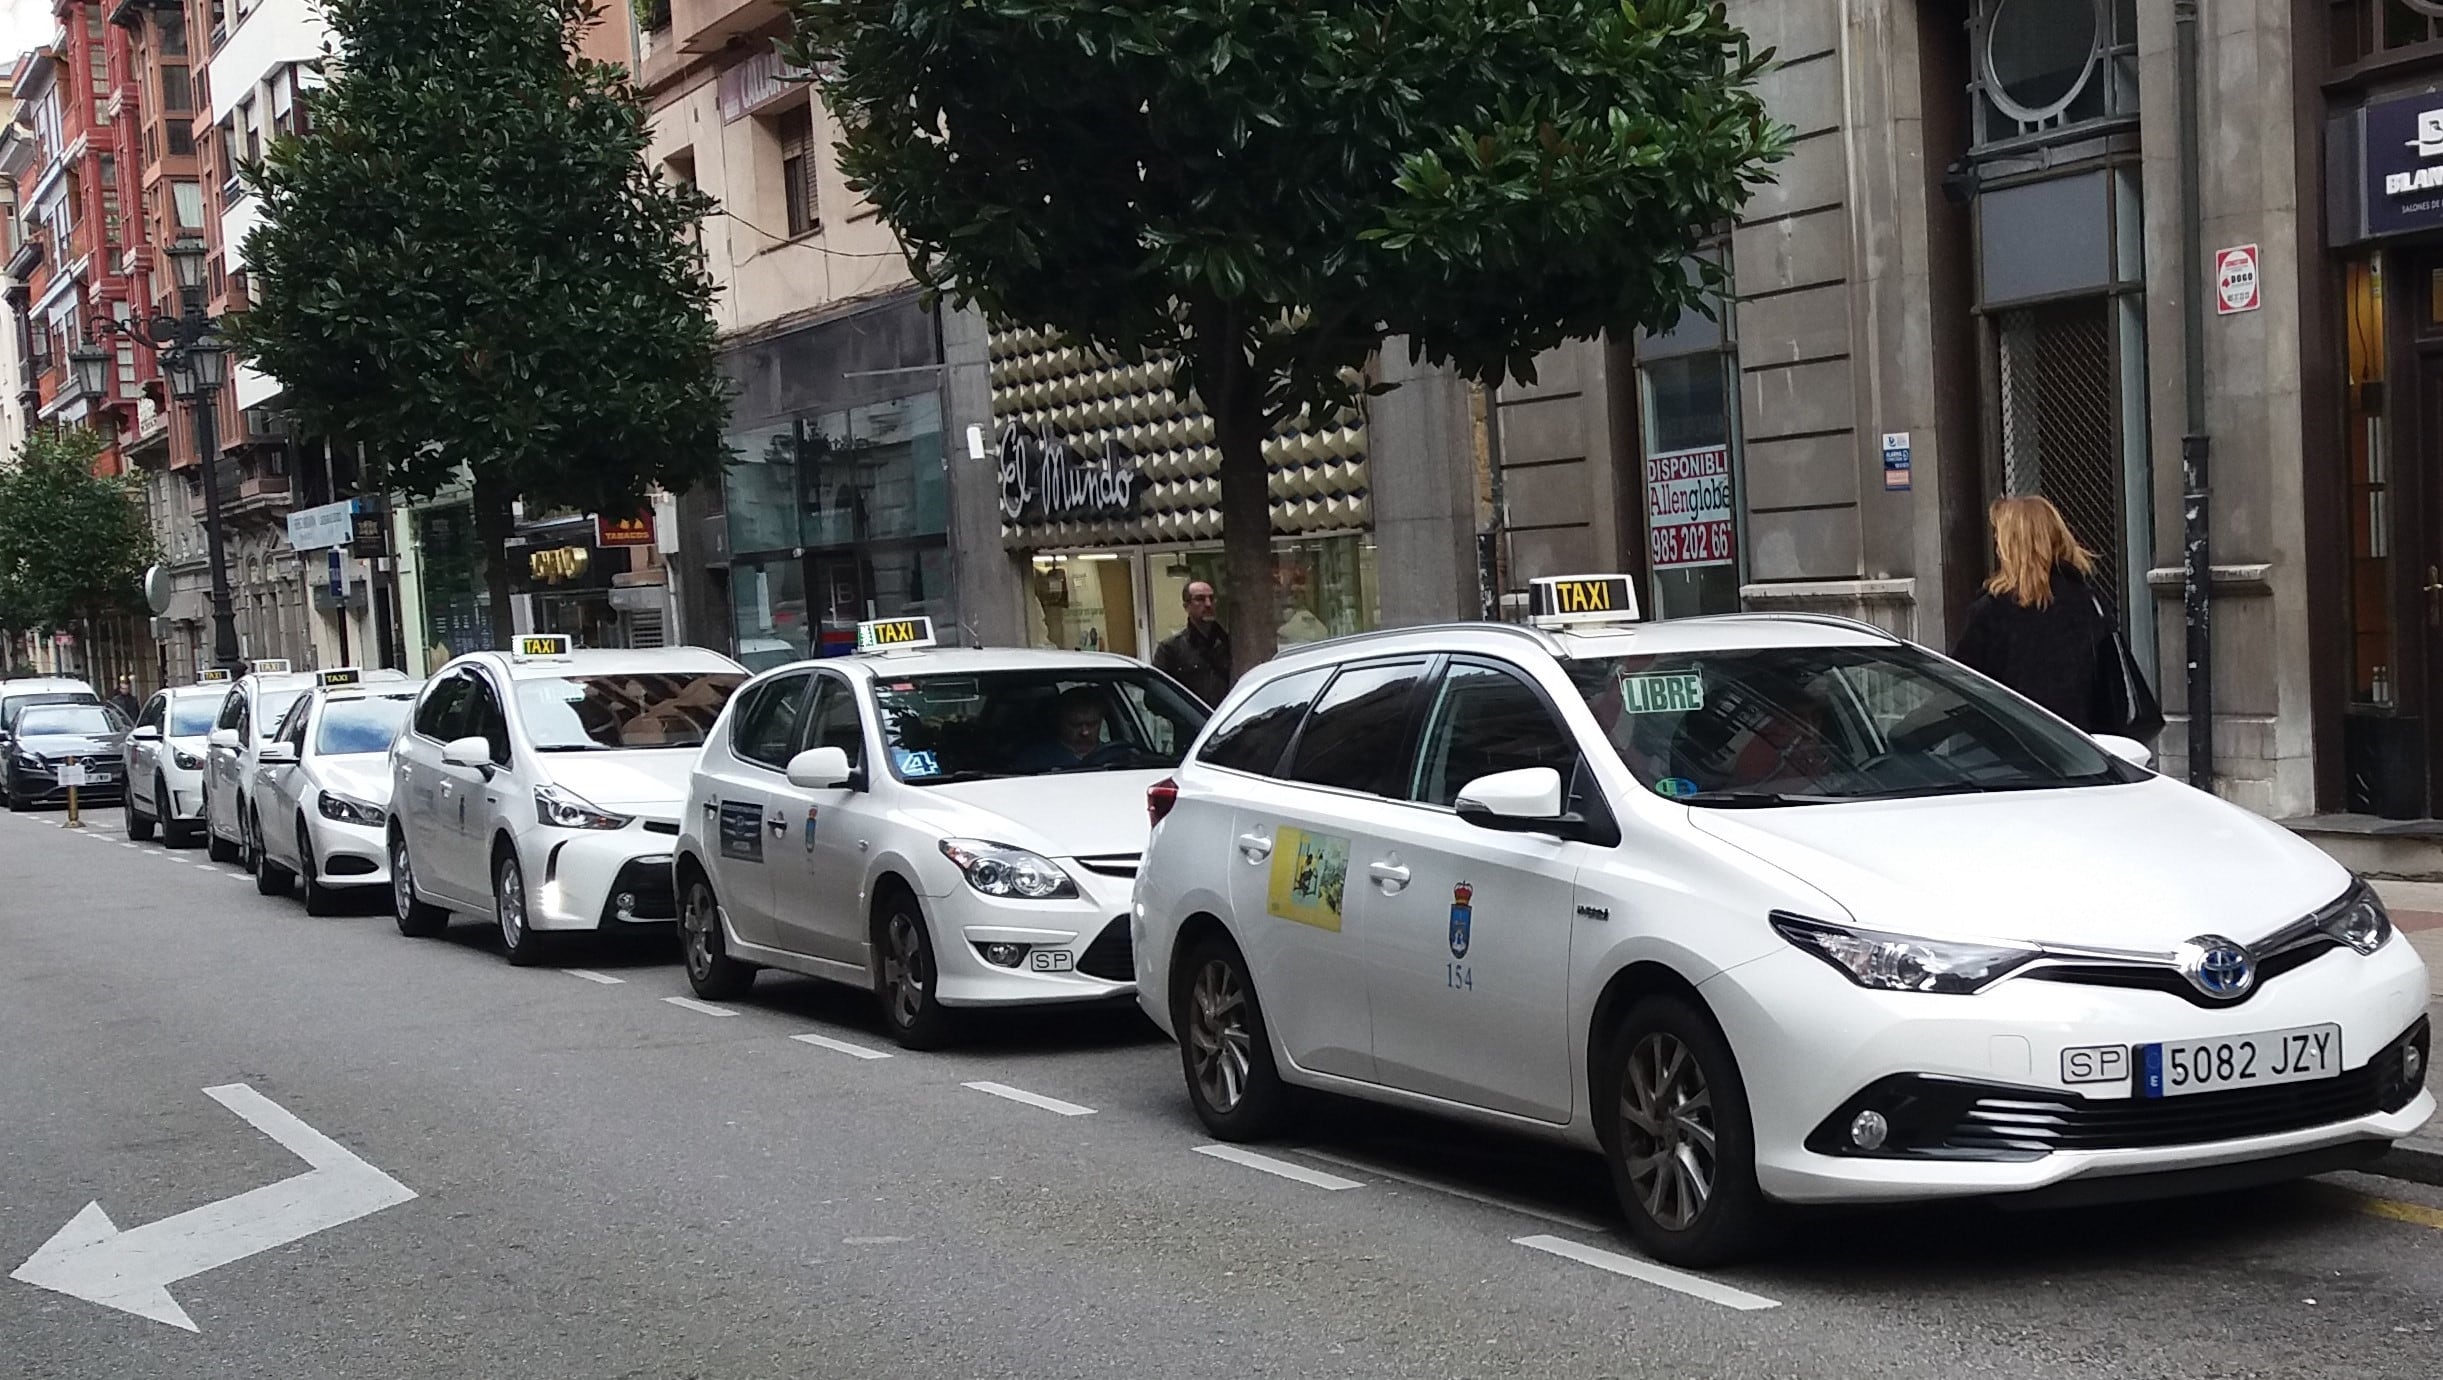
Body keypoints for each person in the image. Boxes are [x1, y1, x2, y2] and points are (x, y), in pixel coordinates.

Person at [1954, 495, 2128, 734]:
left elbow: (1961, 687)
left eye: (1999, 539)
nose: (1996, 546)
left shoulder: (1993, 611)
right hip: (2085, 749)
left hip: (2017, 752)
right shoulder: (2088, 601)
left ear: (2011, 547)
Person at [1153, 580, 1233, 707]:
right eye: (1200, 599)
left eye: (1211, 599)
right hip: (1192, 725)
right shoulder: (1170, 649)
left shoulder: (1231, 645)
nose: (1208, 604)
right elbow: (1154, 698)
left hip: (1229, 722)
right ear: (1186, 606)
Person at [1013, 688, 1130, 772]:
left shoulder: (1121, 757)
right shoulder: (1035, 759)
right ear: (1060, 722)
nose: (1085, 732)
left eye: (1092, 724)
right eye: (1075, 725)